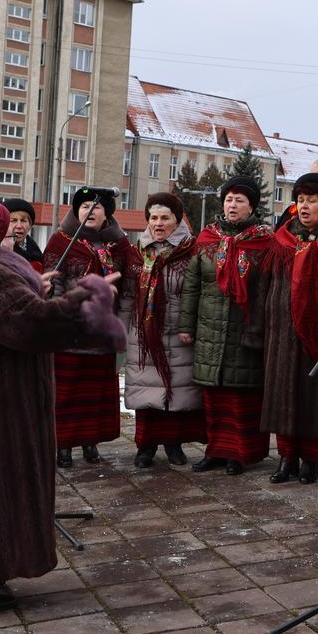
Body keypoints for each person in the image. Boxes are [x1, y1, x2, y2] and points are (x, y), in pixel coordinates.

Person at [0, 198, 125, 616]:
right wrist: (88, 298)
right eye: (4, 226)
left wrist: (34, 290)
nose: (12, 232)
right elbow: (31, 327)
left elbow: (1, 315)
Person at [179, 176, 274, 475]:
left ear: (252, 206)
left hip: (245, 328)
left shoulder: (264, 242)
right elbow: (192, 285)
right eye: (229, 199)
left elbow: (267, 289)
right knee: (214, 396)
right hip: (209, 329)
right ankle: (216, 451)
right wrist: (186, 326)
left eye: (239, 200)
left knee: (241, 395)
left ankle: (240, 454)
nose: (232, 205)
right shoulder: (208, 239)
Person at [44, 187, 134, 468]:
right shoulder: (61, 242)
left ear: (107, 214)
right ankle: (63, 445)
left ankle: (90, 442)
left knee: (94, 394)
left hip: (102, 334)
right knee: (67, 394)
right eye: (84, 206)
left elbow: (128, 287)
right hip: (70, 332)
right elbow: (54, 283)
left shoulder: (119, 245)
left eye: (96, 207)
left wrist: (121, 325)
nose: (89, 211)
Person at [264, 173, 318, 484]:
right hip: (282, 329)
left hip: (317, 331)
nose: (304, 206)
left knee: (314, 395)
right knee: (283, 392)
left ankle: (311, 459)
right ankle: (287, 457)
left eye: (312, 201)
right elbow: (269, 282)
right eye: (300, 200)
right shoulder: (283, 238)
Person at [123, 192, 203, 469]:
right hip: (143, 335)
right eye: (153, 218)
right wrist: (121, 329)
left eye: (165, 218)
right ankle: (145, 447)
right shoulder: (137, 252)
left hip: (179, 333)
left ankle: (173, 444)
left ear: (177, 220)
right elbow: (128, 295)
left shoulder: (191, 251)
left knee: (175, 392)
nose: (158, 223)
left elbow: (198, 292)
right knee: (145, 393)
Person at [1, 198, 44, 271]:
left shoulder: (38, 256)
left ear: (30, 225)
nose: (19, 226)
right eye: (13, 220)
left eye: (23, 221)